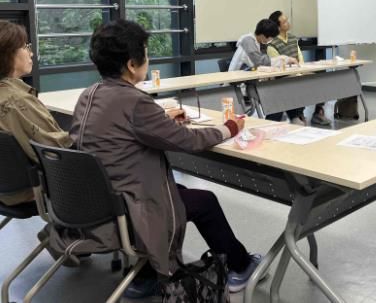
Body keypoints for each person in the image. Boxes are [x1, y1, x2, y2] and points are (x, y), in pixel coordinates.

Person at [61, 20, 260, 298]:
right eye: (145, 53)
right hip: (130, 205)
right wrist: (229, 128)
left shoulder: (90, 94)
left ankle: (145, 275)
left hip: (100, 200)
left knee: (182, 192)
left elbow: (122, 129)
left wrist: (161, 121)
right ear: (132, 64)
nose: (148, 58)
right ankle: (241, 266)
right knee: (205, 201)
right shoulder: (135, 101)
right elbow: (188, 141)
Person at [0, 20, 73, 206]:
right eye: (26, 47)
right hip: (31, 190)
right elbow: (57, 150)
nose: (31, 53)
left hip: (6, 188)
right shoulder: (16, 101)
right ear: (8, 54)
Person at [267, 10, 330, 126]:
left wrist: (301, 70)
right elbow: (277, 66)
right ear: (278, 27)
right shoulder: (272, 44)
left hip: (298, 72)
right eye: (284, 22)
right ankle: (297, 115)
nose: (288, 23)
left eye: (287, 20)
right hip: (284, 77)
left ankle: (318, 112)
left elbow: (299, 57)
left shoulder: (292, 38)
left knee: (321, 80)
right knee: (297, 84)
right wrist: (296, 72)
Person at [228, 18, 296, 72]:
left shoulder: (255, 42)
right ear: (263, 36)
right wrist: (285, 59)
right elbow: (260, 62)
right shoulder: (248, 41)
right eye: (271, 38)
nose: (271, 40)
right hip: (237, 81)